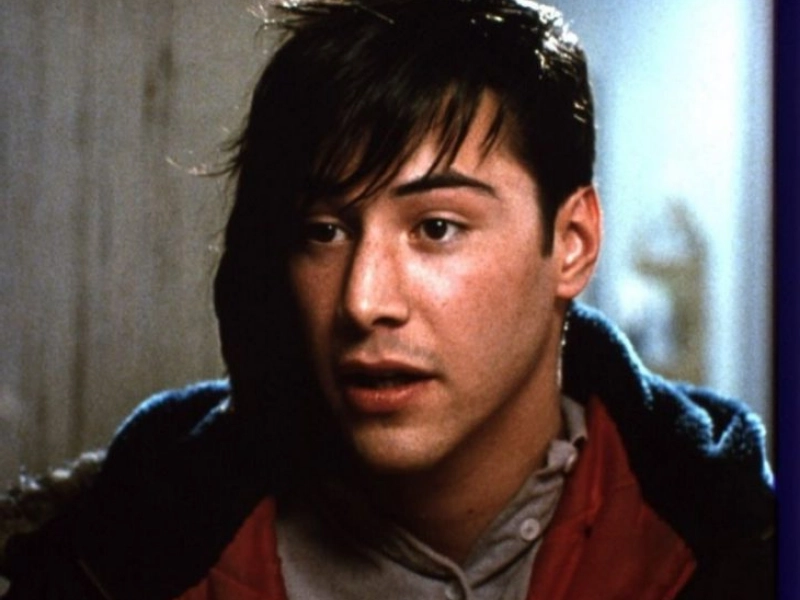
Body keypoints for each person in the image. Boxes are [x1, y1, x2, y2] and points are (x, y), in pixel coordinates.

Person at [0, 0, 774, 598]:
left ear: (570, 242)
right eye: (325, 231)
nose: (363, 301)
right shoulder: (134, 549)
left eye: (436, 227)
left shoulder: (735, 548)